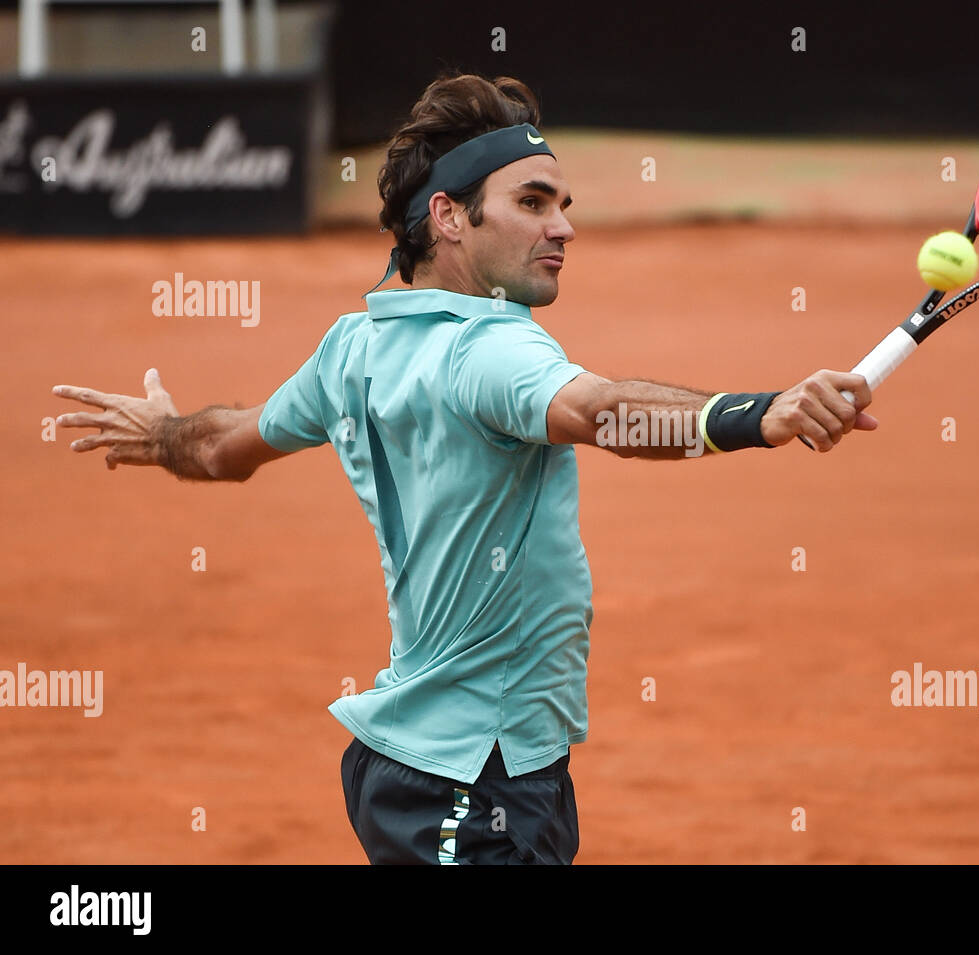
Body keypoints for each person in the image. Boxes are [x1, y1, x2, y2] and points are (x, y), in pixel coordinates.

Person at [51, 71, 878, 865]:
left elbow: (225, 447)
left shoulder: (351, 348)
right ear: (448, 217)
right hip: (475, 783)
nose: (563, 228)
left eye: (563, 205)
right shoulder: (492, 348)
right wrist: (757, 415)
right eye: (532, 202)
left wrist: (163, 434)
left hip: (412, 769)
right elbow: (602, 413)